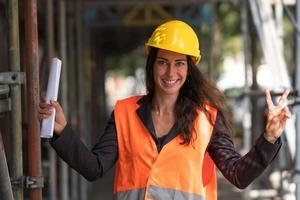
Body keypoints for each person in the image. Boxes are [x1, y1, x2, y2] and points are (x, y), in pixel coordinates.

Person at [39, 20, 291, 200]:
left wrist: (269, 138)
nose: (171, 73)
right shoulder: (124, 113)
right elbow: (94, 168)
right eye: (163, 62)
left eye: (179, 63)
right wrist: (62, 132)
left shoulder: (207, 118)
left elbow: (238, 175)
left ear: (189, 69)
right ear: (152, 65)